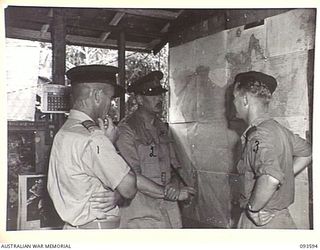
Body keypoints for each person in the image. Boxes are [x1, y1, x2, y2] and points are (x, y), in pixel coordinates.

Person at [47, 65, 137, 229]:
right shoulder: (93, 138)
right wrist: (111, 144)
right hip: (97, 232)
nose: (109, 105)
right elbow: (129, 187)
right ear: (97, 96)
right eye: (109, 98)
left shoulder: (64, 132)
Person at [115, 71, 196, 228]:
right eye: (152, 95)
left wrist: (173, 185)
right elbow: (131, 176)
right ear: (139, 99)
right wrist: (170, 192)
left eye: (160, 94)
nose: (159, 99)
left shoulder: (161, 127)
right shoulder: (127, 130)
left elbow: (174, 167)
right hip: (141, 212)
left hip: (167, 209)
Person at [232, 71, 312, 229]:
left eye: (234, 97)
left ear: (245, 100)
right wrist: (284, 173)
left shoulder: (258, 134)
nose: (233, 103)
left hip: (261, 223)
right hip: (281, 219)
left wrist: (253, 209)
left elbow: (270, 178)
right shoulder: (277, 128)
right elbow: (307, 152)